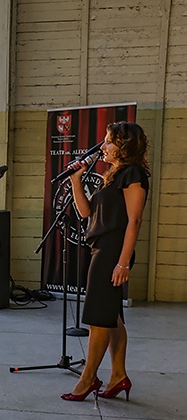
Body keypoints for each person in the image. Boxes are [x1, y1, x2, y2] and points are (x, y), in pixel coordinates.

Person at [62, 122, 149, 403]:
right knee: (112, 317)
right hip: (101, 248)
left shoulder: (133, 174)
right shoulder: (110, 176)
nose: (103, 146)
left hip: (113, 252)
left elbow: (134, 221)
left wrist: (123, 263)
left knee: (99, 318)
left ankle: (88, 379)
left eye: (109, 141)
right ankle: (118, 376)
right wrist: (76, 181)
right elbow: (87, 212)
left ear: (123, 146)